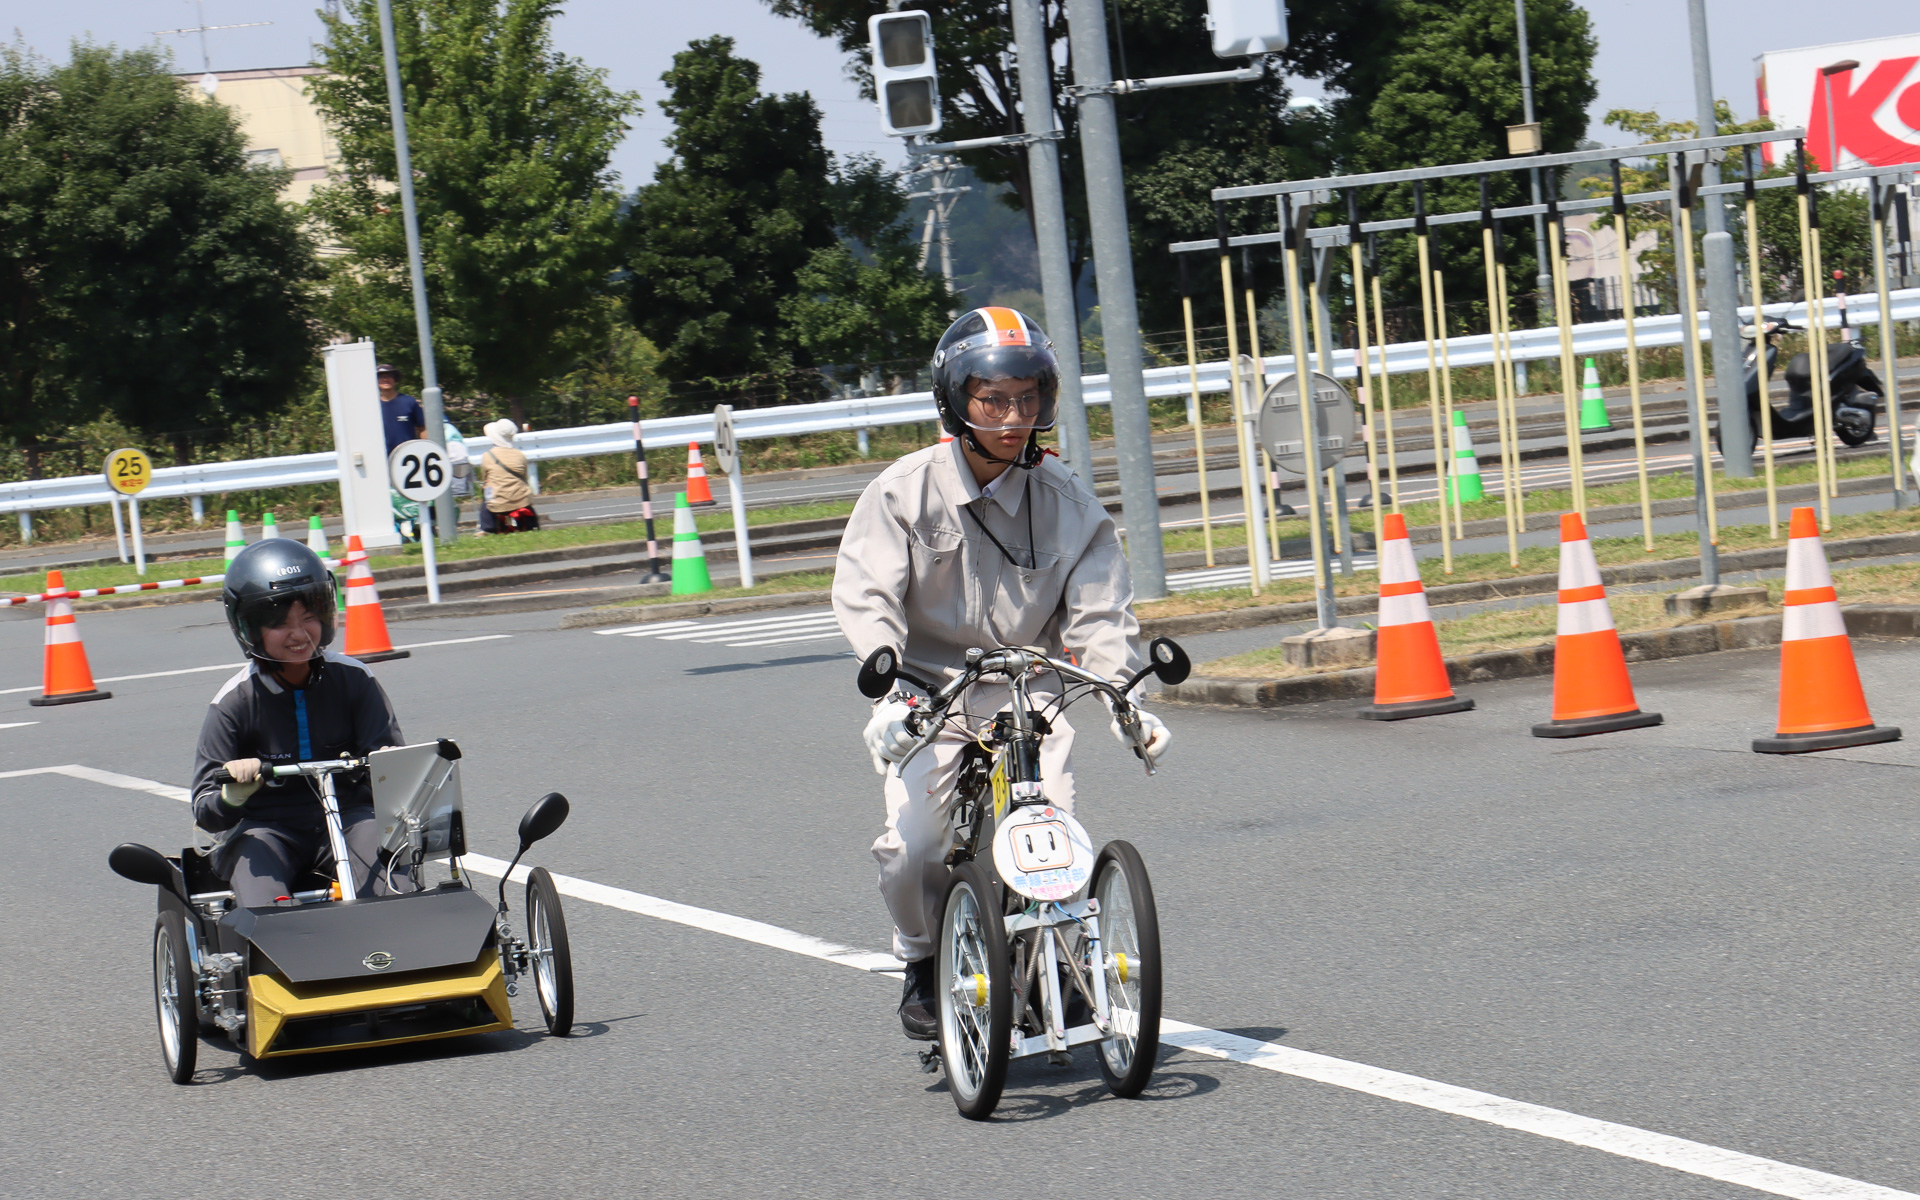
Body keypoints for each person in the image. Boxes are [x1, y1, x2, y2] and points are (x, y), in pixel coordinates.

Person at [831, 306, 1172, 1040]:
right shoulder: (902, 492)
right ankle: (922, 959)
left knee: (1055, 823)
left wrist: (1127, 700)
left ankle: (1061, 953)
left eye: (1029, 398)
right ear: (956, 401)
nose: (1014, 417)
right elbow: (866, 596)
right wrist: (886, 692)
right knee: (915, 840)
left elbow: (1101, 610)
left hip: (1031, 688)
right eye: (994, 398)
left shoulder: (1066, 498)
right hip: (929, 690)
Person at [189, 539, 406, 908]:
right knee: (262, 895)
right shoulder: (234, 701)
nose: (299, 634)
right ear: (250, 628)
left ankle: (401, 952)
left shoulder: (354, 679)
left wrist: (390, 766)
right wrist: (231, 796)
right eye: (280, 624)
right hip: (266, 827)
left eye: (309, 616)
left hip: (351, 817)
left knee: (391, 869)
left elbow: (395, 765)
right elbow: (205, 807)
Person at [476, 418, 540, 534]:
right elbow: (524, 477)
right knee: (523, 493)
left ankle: (486, 528)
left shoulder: (488, 456)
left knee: (486, 493)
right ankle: (532, 526)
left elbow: (485, 478)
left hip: (498, 502)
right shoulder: (520, 455)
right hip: (521, 501)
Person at [376, 364, 428, 454]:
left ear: (395, 379)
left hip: (407, 457)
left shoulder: (409, 402)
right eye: (381, 376)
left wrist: (426, 450)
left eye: (389, 376)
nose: (385, 379)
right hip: (381, 458)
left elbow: (423, 429)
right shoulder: (373, 406)